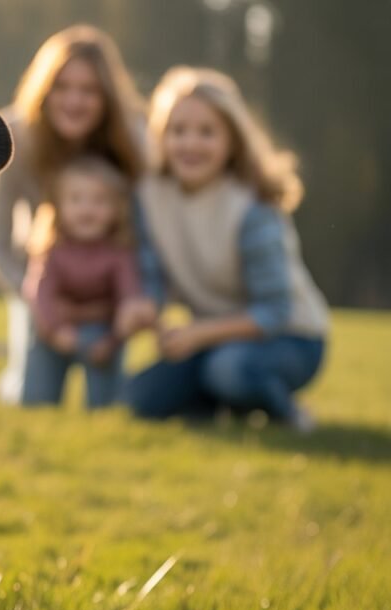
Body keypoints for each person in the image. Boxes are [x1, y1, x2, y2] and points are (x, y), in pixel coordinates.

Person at [128, 67, 329, 431]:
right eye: (178, 131)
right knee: (141, 399)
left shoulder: (252, 206)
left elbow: (274, 311)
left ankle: (288, 414)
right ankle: (224, 407)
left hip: (290, 338)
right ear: (160, 135)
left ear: (232, 139)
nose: (190, 144)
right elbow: (153, 274)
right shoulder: (149, 194)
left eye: (207, 132)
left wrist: (196, 334)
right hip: (210, 339)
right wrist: (146, 308)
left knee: (229, 370)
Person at [0, 24, 146, 405]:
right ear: (43, 88)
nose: (74, 100)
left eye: (89, 90)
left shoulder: (131, 139)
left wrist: (130, 299)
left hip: (108, 287)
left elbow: (146, 232)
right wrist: (36, 298)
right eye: (62, 87)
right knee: (29, 394)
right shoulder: (13, 135)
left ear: (107, 97)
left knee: (110, 398)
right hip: (39, 278)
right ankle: (18, 377)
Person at [22, 156, 155, 408]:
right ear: (58, 207)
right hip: (56, 330)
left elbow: (128, 300)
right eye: (76, 200)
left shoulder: (120, 252)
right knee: (37, 393)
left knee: (104, 396)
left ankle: (102, 405)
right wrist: (56, 330)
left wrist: (113, 340)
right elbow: (41, 295)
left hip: (101, 333)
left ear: (117, 209)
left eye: (100, 201)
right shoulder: (52, 249)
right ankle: (38, 401)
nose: (87, 209)